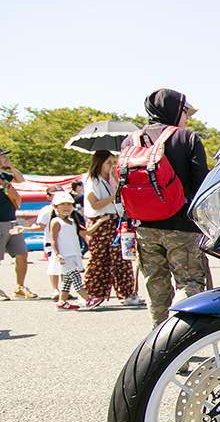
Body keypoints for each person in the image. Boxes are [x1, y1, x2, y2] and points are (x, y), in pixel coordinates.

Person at [120, 89, 210, 327]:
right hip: (182, 226)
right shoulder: (186, 138)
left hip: (144, 227)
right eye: (185, 111)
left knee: (155, 286)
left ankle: (158, 342)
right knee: (189, 283)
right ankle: (179, 336)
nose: (187, 117)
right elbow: (202, 184)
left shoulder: (130, 141)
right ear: (175, 110)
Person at [82, 150, 142, 306]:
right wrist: (113, 196)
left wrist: (117, 180)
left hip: (116, 220)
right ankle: (91, 293)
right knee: (99, 259)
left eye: (113, 162)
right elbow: (94, 204)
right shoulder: (92, 180)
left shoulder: (112, 180)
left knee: (122, 258)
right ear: (99, 163)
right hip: (100, 222)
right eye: (108, 163)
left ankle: (127, 294)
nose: (112, 166)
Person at [45, 192, 103, 311]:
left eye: (69, 204)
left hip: (72, 255)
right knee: (76, 278)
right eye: (62, 204)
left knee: (67, 281)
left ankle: (61, 302)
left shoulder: (72, 222)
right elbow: (53, 239)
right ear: (55, 207)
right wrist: (57, 254)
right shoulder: (56, 221)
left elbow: (87, 232)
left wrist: (100, 221)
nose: (66, 207)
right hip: (63, 256)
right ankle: (88, 299)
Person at [0, 147, 40, 300]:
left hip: (12, 221)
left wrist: (11, 167)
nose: (5, 158)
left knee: (22, 254)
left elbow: (20, 179)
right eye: (2, 156)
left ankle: (19, 287)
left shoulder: (4, 176)